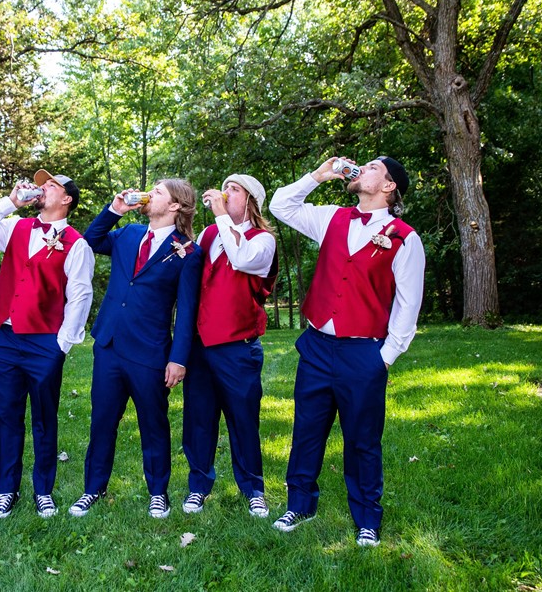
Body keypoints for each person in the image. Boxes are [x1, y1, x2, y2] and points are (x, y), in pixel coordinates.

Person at [268, 156, 425, 547]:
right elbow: (280, 206)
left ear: (389, 186)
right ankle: (300, 504)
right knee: (306, 432)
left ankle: (367, 518)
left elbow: (408, 306)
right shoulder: (332, 218)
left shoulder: (405, 237)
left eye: (372, 167)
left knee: (362, 440)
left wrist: (383, 358)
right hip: (317, 348)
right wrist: (319, 175)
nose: (361, 169)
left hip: (364, 354)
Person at [0, 170, 94, 521]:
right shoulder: (17, 227)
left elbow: (80, 296)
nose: (43, 187)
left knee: (44, 419)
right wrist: (11, 202)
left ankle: (43, 491)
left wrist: (61, 346)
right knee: (5, 416)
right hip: (5, 339)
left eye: (51, 185)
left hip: (44, 343)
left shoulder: (77, 243)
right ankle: (7, 491)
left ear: (66, 199)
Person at [68, 180, 203, 519]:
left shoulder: (187, 250)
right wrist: (115, 210)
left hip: (150, 351)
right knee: (102, 421)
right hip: (110, 344)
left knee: (153, 424)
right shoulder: (127, 234)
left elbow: (186, 311)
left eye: (157, 192)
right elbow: (91, 239)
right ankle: (92, 489)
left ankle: (158, 492)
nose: (149, 194)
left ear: (174, 206)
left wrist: (178, 359)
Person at [182, 174, 278, 517]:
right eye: (225, 188)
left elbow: (241, 258)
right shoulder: (209, 234)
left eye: (234, 189)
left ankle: (253, 488)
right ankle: (198, 486)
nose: (225, 193)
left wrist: (221, 214)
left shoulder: (264, 240)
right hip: (201, 343)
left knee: (243, 420)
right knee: (199, 419)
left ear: (250, 199)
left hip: (239, 345)